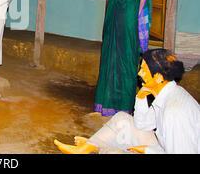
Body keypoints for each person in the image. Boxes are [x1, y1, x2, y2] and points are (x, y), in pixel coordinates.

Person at [54, 48, 200, 154]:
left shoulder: (175, 111)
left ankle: (98, 146)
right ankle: (88, 148)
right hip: (164, 147)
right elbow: (142, 125)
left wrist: (148, 150)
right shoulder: (166, 95)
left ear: (158, 78)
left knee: (114, 153)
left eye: (144, 70)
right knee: (122, 119)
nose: (139, 74)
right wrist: (141, 97)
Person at [80, 0, 152, 116]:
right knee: (111, 57)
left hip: (126, 15)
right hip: (116, 12)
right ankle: (106, 105)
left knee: (123, 60)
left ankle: (122, 108)